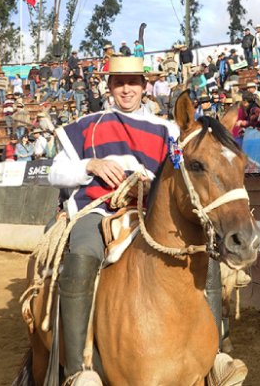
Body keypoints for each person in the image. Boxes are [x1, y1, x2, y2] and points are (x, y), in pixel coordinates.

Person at [49, 57, 178, 381]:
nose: (126, 89)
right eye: (119, 82)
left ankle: (218, 351)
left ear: (144, 86)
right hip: (99, 209)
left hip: (150, 212)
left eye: (132, 82)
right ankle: (78, 369)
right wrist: (89, 166)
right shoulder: (87, 125)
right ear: (109, 87)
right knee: (81, 256)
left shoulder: (167, 129)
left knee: (199, 253)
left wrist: (155, 184)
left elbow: (179, 176)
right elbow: (55, 173)